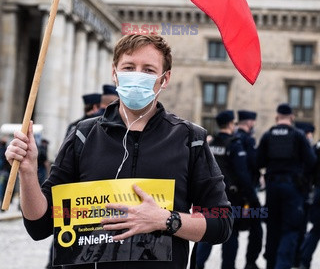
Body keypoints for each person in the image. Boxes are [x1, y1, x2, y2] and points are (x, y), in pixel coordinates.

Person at [5, 33, 232, 269]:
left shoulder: (189, 139)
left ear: (165, 79)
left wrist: (166, 219)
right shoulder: (82, 135)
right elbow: (39, 225)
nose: (137, 76)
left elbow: (221, 223)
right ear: (115, 73)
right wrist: (28, 172)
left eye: (148, 70)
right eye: (129, 67)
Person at [196, 110, 261, 269]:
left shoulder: (210, 143)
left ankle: (197, 265)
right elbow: (243, 174)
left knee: (207, 233)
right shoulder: (234, 144)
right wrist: (253, 198)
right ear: (231, 124)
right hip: (231, 198)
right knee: (231, 234)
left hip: (209, 196)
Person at [257, 103, 316, 269]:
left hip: (272, 188)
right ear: (292, 117)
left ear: (277, 117)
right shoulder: (298, 136)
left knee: (272, 227)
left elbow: (258, 161)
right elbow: (311, 162)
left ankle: (270, 263)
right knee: (291, 229)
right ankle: (282, 265)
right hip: (292, 189)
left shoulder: (268, 135)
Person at [236, 110, 263, 269]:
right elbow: (255, 162)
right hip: (248, 194)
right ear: (249, 122)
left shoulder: (232, 138)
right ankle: (250, 262)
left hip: (232, 194)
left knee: (231, 230)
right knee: (256, 228)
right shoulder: (248, 140)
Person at [299, 133, 320, 269]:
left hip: (318, 189)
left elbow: (309, 166)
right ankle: (304, 258)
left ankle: (304, 259)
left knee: (317, 229)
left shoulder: (317, 146)